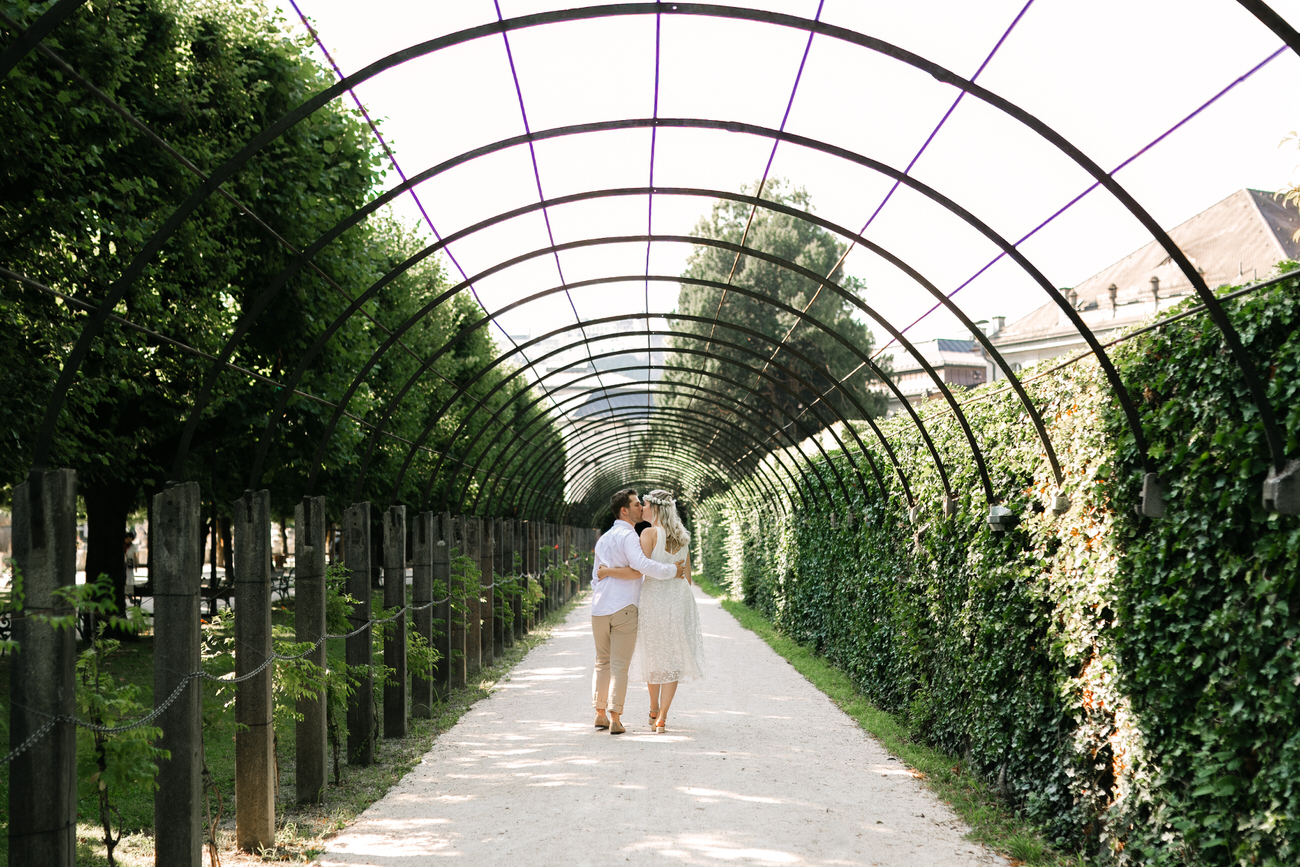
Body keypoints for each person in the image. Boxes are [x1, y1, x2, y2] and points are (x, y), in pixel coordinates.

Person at [597, 489, 704, 733]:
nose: (642, 508)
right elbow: (687, 577)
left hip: (655, 597)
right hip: (679, 597)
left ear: (654, 508)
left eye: (644, 505)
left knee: (654, 652)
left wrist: (609, 571)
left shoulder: (648, 533)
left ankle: (653, 706)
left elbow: (640, 568)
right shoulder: (683, 536)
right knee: (674, 655)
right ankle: (662, 717)